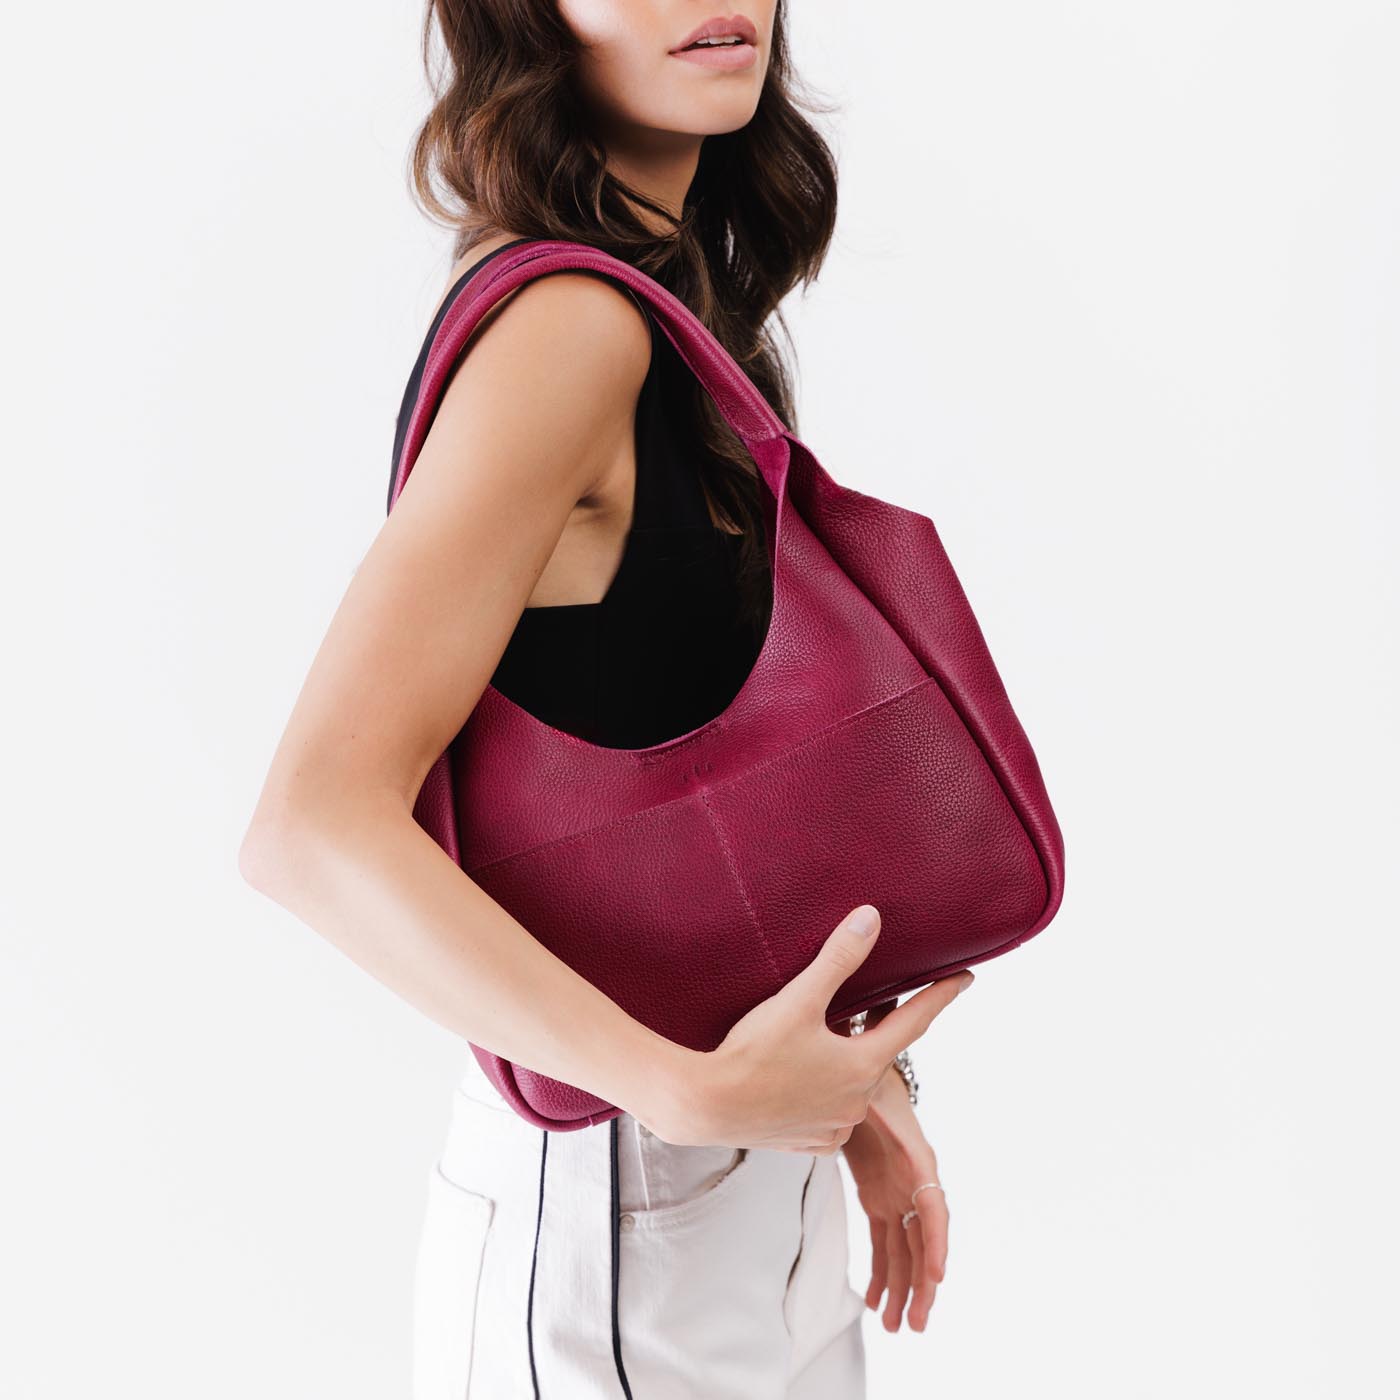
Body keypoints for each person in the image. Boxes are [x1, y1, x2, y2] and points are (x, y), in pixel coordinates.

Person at [239, 2, 975, 1395]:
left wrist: (848, 1084)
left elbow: (697, 789)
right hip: (617, 1218)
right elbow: (310, 824)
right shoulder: (569, 329)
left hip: (735, 1198)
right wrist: (685, 1086)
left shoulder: (669, 312)